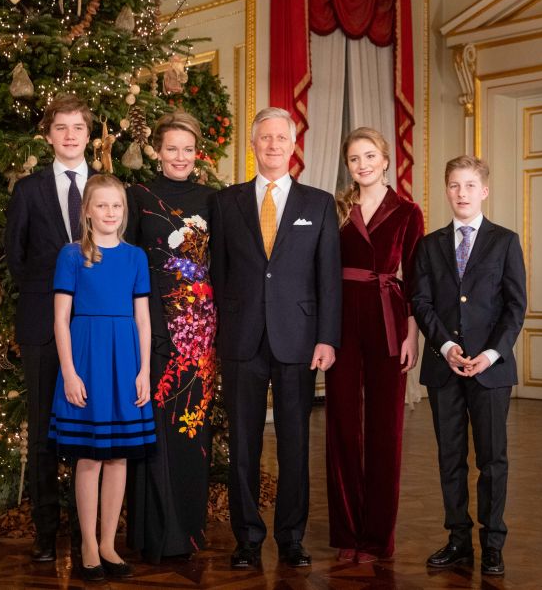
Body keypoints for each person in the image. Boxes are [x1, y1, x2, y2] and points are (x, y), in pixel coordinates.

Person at [209, 107, 342, 569]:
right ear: (253, 145)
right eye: (263, 137)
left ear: (293, 145)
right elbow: (218, 275)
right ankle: (246, 538)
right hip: (241, 338)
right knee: (243, 444)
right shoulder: (226, 203)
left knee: (294, 444)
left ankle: (290, 537)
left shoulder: (319, 203)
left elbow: (329, 278)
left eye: (280, 138)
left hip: (299, 339)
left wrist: (327, 337)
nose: (272, 145)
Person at [410, 155, 526, 577]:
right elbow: (420, 302)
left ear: (484, 191)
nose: (462, 193)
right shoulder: (429, 244)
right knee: (450, 457)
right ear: (446, 190)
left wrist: (491, 354)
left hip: (491, 371)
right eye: (455, 186)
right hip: (445, 369)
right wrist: (444, 346)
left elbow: (516, 307)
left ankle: (492, 543)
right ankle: (458, 538)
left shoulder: (505, 241)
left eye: (470, 185)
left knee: (493, 459)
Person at [50, 174, 155, 582]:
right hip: (87, 360)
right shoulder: (72, 255)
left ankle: (109, 542)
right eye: (102, 205)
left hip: (125, 360)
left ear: (123, 212)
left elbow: (143, 320)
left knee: (118, 457)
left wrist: (144, 370)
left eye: (117, 206)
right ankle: (88, 545)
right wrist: (70, 372)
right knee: (90, 457)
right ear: (88, 211)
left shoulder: (135, 257)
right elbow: (61, 319)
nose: (110, 213)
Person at [4, 94, 95, 563]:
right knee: (42, 430)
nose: (70, 135)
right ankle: (45, 530)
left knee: (90, 431)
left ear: (89, 134)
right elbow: (14, 259)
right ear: (48, 136)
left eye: (78, 127)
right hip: (42, 325)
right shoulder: (28, 190)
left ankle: (86, 535)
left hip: (97, 331)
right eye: (61, 127)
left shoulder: (107, 187)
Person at [326, 128, 424, 564]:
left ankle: (377, 538)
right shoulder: (337, 207)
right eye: (354, 159)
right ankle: (347, 532)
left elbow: (418, 279)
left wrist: (413, 335)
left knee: (386, 430)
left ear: (386, 160)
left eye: (369, 156)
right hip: (343, 319)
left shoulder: (408, 211)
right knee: (343, 424)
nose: (362, 164)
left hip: (389, 318)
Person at [124, 111, 217, 563]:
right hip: (151, 330)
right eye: (171, 148)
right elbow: (129, 265)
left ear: (196, 153)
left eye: (187, 149)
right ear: (156, 151)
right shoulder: (137, 195)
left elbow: (221, 267)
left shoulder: (212, 199)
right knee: (153, 432)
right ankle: (153, 534)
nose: (179, 156)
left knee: (190, 430)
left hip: (199, 337)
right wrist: (148, 329)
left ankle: (188, 533)